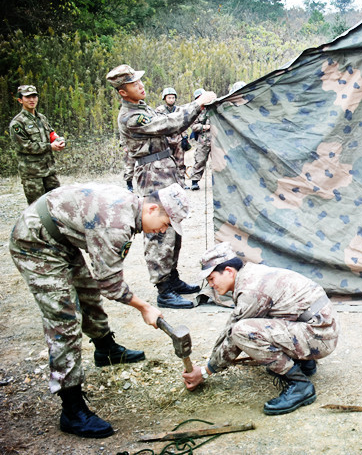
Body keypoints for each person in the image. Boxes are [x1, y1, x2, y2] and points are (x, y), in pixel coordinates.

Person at [8, 182, 189, 438]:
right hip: (36, 243)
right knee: (64, 320)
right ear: (151, 209)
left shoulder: (130, 208)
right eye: (166, 223)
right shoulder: (116, 224)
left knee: (88, 293)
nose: (163, 231)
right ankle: (72, 409)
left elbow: (101, 280)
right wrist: (144, 307)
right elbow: (110, 285)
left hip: (60, 238)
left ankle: (105, 349)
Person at [182, 242, 339, 415]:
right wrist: (209, 363)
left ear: (228, 271)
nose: (211, 285)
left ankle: (299, 385)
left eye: (212, 279)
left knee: (243, 331)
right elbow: (231, 324)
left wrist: (206, 371)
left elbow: (233, 336)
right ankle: (304, 363)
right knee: (254, 322)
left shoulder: (251, 291)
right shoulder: (250, 274)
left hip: (319, 336)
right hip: (319, 326)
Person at [107, 64, 216, 309]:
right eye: (133, 84)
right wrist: (197, 105)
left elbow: (170, 121)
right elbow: (169, 124)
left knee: (173, 228)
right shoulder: (131, 116)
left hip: (165, 171)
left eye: (139, 81)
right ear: (122, 92)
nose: (140, 86)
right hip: (152, 175)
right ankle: (163, 289)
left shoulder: (143, 108)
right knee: (158, 232)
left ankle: (172, 278)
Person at [9, 85, 66, 204]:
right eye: (27, 97)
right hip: (32, 174)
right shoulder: (17, 123)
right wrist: (50, 147)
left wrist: (59, 140)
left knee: (56, 204)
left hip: (49, 171)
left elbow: (51, 133)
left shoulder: (41, 118)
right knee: (37, 207)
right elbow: (24, 146)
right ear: (20, 100)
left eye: (34, 96)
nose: (32, 100)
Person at [154, 87, 190, 180]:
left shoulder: (179, 110)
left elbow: (184, 124)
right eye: (169, 98)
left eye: (173, 98)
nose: (171, 100)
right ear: (165, 98)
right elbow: (157, 125)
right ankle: (168, 181)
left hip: (178, 138)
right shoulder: (159, 110)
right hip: (165, 139)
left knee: (180, 162)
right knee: (165, 162)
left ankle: (181, 180)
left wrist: (185, 137)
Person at [187, 88, 212, 191]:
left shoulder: (214, 107)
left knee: (219, 162)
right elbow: (193, 126)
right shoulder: (196, 111)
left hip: (216, 139)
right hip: (203, 139)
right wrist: (204, 127)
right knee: (200, 160)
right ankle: (195, 181)